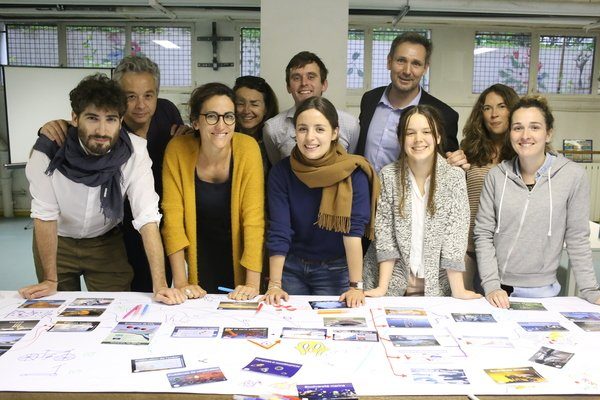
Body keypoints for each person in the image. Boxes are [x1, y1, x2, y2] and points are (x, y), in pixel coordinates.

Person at [18, 73, 183, 305]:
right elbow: (45, 215)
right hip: (58, 241)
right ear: (75, 117)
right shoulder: (47, 151)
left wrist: (161, 285)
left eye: (111, 119)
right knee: (57, 310)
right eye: (92, 118)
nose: (102, 131)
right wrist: (49, 279)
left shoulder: (134, 151)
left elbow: (147, 218)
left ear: (121, 119)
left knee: (118, 309)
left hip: (106, 243)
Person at [474, 95, 600, 308]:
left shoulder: (572, 176)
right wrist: (492, 285)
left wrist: (591, 291)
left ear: (548, 133)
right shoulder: (496, 176)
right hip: (497, 291)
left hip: (544, 293)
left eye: (534, 127)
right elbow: (483, 234)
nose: (525, 135)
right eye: (517, 128)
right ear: (510, 133)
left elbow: (577, 238)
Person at [263, 96, 379, 308]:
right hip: (291, 269)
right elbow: (279, 230)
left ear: (335, 132)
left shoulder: (354, 173)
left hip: (336, 271)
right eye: (303, 129)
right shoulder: (281, 172)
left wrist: (355, 286)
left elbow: (353, 233)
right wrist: (275, 284)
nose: (310, 138)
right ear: (295, 132)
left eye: (319, 129)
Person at [362, 104, 481, 299]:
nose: (418, 139)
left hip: (438, 283)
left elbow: (455, 236)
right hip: (391, 280)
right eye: (410, 133)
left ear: (438, 137)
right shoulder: (388, 175)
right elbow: (386, 235)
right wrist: (382, 288)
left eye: (426, 132)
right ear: (401, 139)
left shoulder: (454, 177)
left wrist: (458, 290)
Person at [161, 82, 265, 301]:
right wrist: (182, 283)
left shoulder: (248, 148)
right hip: (199, 254)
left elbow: (254, 220)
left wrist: (252, 285)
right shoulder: (177, 150)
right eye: (211, 116)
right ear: (196, 122)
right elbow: (173, 221)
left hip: (240, 257)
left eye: (228, 116)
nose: (221, 125)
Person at [356, 32, 467, 173]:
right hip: (363, 192)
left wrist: (457, 161)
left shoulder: (444, 115)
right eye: (401, 61)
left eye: (416, 63)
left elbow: (449, 167)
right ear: (389, 61)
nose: (407, 71)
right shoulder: (370, 99)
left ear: (425, 68)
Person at [461, 84, 519, 291]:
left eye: (501, 106)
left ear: (513, 110)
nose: (494, 114)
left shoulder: (524, 154)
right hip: (468, 247)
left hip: (506, 251)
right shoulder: (468, 149)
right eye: (487, 108)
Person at [263, 51, 360, 166]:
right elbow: (278, 167)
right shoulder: (272, 129)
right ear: (288, 87)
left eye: (311, 77)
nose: (304, 83)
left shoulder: (350, 124)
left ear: (324, 84)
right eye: (296, 78)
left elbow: (351, 165)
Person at [233, 75, 279, 170]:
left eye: (254, 104)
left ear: (266, 108)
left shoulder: (275, 139)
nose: (246, 110)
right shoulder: (224, 138)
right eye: (240, 103)